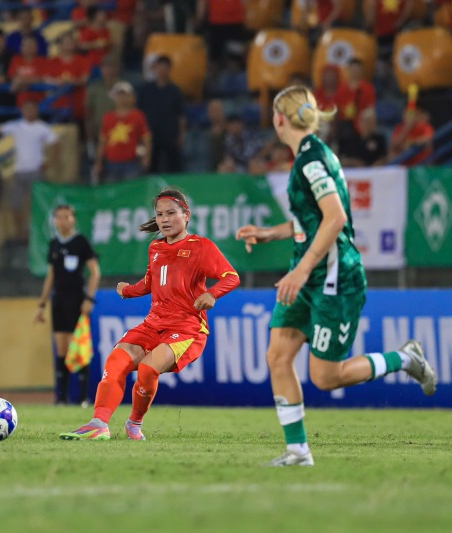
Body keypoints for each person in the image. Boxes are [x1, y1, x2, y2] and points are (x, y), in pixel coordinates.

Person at [235, 86, 436, 467]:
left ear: (280, 119)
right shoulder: (310, 157)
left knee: (327, 377)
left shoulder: (311, 161)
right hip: (312, 273)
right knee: (278, 356)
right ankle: (298, 451)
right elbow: (312, 218)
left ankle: (405, 358)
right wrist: (271, 233)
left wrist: (301, 268)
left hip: (334, 278)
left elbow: (336, 218)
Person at [60, 188, 241, 441]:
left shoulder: (201, 246)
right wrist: (129, 291)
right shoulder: (155, 247)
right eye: (159, 214)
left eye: (171, 213)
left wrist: (212, 294)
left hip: (187, 327)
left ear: (186, 215)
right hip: (154, 323)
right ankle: (98, 423)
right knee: (116, 360)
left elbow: (231, 277)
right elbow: (150, 282)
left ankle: (134, 424)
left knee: (147, 369)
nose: (164, 219)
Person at [34, 205, 101, 407]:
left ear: (73, 220)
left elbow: (95, 272)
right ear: (54, 220)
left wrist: (89, 299)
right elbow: (51, 275)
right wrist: (42, 304)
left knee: (77, 347)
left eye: (67, 217)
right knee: (61, 348)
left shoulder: (81, 242)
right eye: (59, 217)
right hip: (59, 300)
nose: (63, 221)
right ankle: (61, 398)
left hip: (76, 299)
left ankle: (82, 398)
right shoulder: (54, 243)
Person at [0, 99, 59, 242]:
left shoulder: (42, 128)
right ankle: (21, 233)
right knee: (16, 203)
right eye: (27, 109)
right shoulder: (16, 126)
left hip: (35, 171)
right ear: (23, 111)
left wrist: (50, 163)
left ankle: (42, 231)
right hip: (19, 170)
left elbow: (56, 145)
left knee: (39, 203)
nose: (30, 112)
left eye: (32, 109)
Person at [93, 81, 151, 183]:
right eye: (119, 96)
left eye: (125, 95)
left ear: (131, 97)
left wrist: (147, 158)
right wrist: (98, 162)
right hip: (111, 163)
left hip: (131, 163)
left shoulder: (138, 116)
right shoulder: (108, 118)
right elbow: (102, 142)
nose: (122, 99)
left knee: (131, 191)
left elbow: (146, 139)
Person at [137, 55, 186, 173]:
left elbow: (181, 115)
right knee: (151, 167)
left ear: (169, 69)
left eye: (165, 67)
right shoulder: (147, 89)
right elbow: (139, 114)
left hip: (170, 135)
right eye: (160, 66)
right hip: (151, 134)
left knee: (174, 166)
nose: (162, 70)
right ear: (155, 68)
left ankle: (174, 190)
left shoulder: (175, 91)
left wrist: (181, 134)